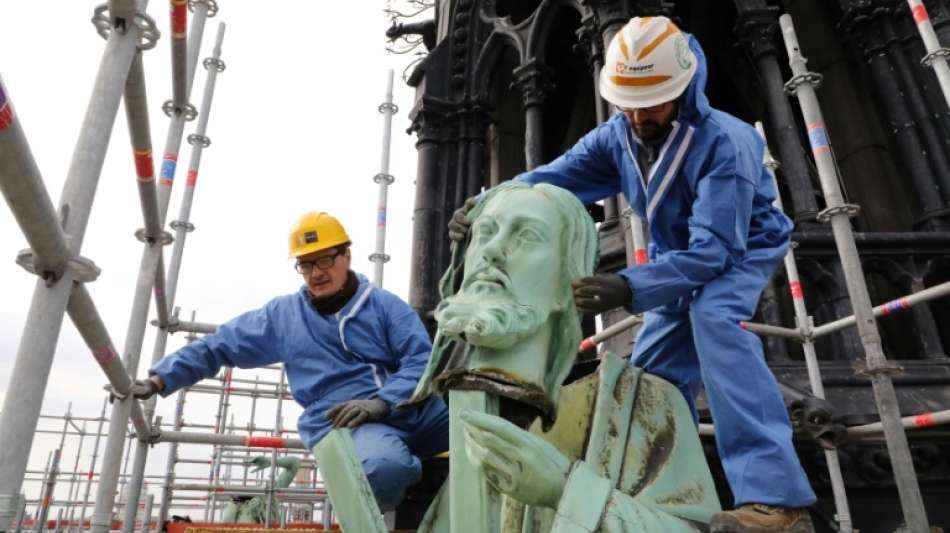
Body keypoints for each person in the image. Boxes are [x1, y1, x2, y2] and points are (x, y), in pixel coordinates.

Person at [449, 17, 816, 533]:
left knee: (712, 319)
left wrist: (629, 287)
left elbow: (714, 254)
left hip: (738, 249)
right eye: (629, 102)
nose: (640, 115)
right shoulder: (619, 135)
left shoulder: (725, 144)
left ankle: (778, 502)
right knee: (646, 373)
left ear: (684, 89)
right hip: (675, 253)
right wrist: (490, 201)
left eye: (654, 102)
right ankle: (664, 484)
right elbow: (553, 179)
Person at [405, 180, 722, 532]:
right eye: (486, 232)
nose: (492, 250)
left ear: (567, 283)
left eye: (526, 236)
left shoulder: (643, 404)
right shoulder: (449, 430)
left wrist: (564, 490)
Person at [132, 211, 450, 512]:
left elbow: (421, 360)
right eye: (305, 264)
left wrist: (384, 401)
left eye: (324, 259)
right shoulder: (284, 317)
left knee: (485, 416)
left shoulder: (383, 306)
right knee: (383, 469)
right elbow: (219, 345)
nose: (316, 273)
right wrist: (160, 379)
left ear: (347, 256)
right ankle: (400, 491)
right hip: (347, 423)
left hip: (411, 407)